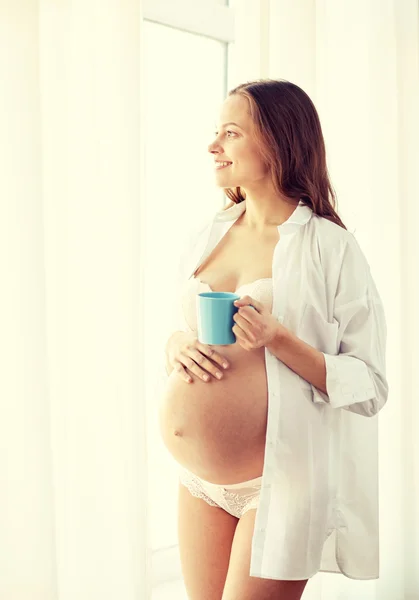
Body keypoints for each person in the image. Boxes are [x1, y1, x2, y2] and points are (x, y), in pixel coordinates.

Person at [159, 79, 388, 600]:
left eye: (231, 133)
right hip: (199, 482)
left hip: (280, 482)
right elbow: (187, 337)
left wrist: (279, 338)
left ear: (278, 143)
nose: (213, 146)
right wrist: (174, 344)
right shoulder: (208, 234)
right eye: (215, 133)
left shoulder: (330, 247)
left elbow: (370, 385)